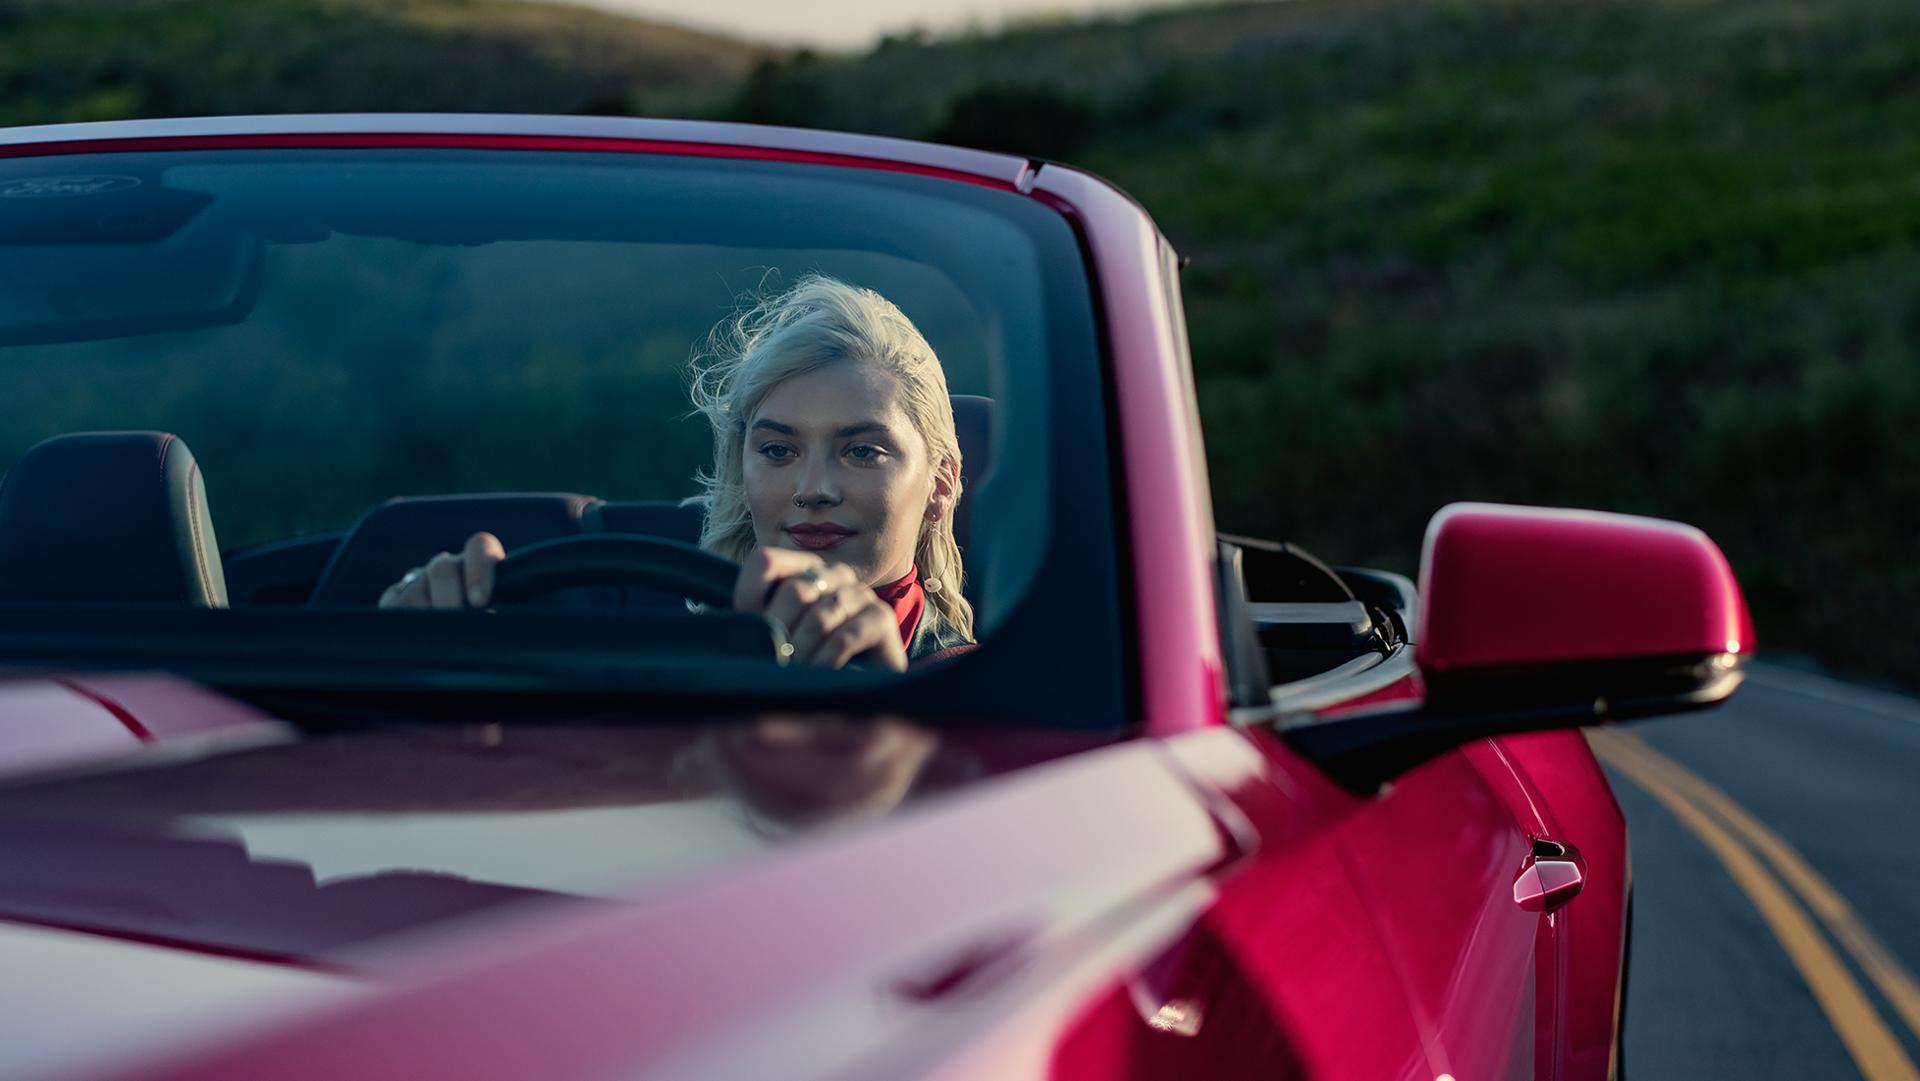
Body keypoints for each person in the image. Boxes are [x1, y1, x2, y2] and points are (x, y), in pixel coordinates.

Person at [378, 275, 976, 671]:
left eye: (862, 452)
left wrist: (893, 698)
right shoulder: (658, 660)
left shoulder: (991, 690)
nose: (813, 489)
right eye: (776, 451)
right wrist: (440, 665)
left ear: (942, 482)